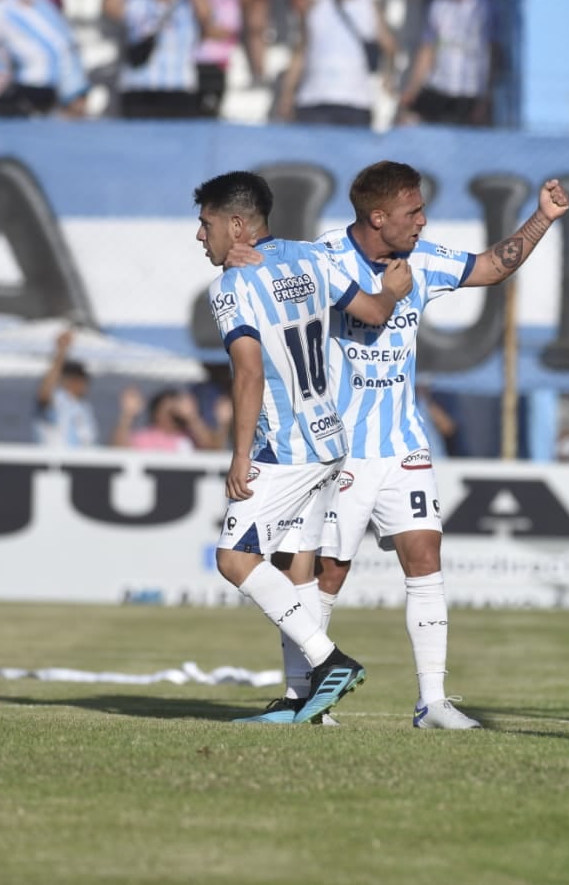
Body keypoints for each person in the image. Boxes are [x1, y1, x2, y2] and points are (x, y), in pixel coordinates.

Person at [228, 161, 569, 727]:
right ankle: (303, 699)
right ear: (378, 216)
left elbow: (490, 268)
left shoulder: (424, 259)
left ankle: (432, 702)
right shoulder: (322, 259)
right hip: (340, 449)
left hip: (403, 443)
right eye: (413, 212)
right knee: (320, 573)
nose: (423, 221)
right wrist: (248, 254)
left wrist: (543, 217)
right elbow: (271, 263)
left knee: (425, 554)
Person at [195, 170, 411, 725]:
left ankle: (327, 661)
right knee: (297, 569)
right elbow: (373, 314)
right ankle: (303, 704)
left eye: (207, 223)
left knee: (234, 559)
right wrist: (394, 291)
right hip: (330, 439)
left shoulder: (230, 287)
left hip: (283, 447)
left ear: (237, 226)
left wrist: (240, 455)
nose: (201, 236)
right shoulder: (311, 257)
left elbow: (248, 374)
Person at [276, 0, 395, 127]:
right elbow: (301, 52)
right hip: (314, 99)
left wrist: (388, 75)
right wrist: (287, 94)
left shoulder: (368, 6)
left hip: (355, 100)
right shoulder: (316, 7)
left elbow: (389, 45)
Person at [396, 0, 492, 126]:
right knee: (410, 125)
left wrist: (485, 98)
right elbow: (427, 50)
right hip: (438, 89)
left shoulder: (485, 7)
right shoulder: (439, 6)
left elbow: (491, 54)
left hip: (468, 93)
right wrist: (412, 90)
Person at [103, 0, 209, 120]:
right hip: (138, 86)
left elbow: (206, 14)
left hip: (178, 87)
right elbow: (109, 6)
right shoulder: (138, 4)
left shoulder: (186, 6)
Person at [189, 0, 241, 117]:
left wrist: (203, 29)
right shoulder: (185, 0)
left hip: (215, 65)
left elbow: (224, 33)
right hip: (190, 65)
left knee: (210, 114)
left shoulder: (228, 0)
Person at [36, 329, 98, 446]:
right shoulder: (58, 400)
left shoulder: (84, 408)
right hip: (56, 463)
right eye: (79, 379)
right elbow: (45, 391)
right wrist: (61, 351)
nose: (84, 384)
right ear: (67, 380)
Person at [112, 387, 218, 452]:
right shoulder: (145, 437)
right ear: (156, 414)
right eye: (167, 410)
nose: (172, 415)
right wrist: (127, 415)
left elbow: (212, 448)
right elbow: (118, 449)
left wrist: (192, 417)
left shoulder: (191, 437)